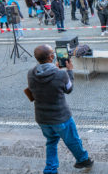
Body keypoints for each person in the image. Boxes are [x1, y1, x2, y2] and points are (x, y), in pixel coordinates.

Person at [27, 45, 93, 174]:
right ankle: (83, 159)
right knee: (72, 140)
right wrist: (69, 71)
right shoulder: (61, 74)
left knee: (51, 141)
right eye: (53, 53)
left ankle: (50, 169)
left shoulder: (31, 73)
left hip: (42, 118)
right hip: (61, 117)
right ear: (51, 57)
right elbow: (69, 89)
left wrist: (56, 70)